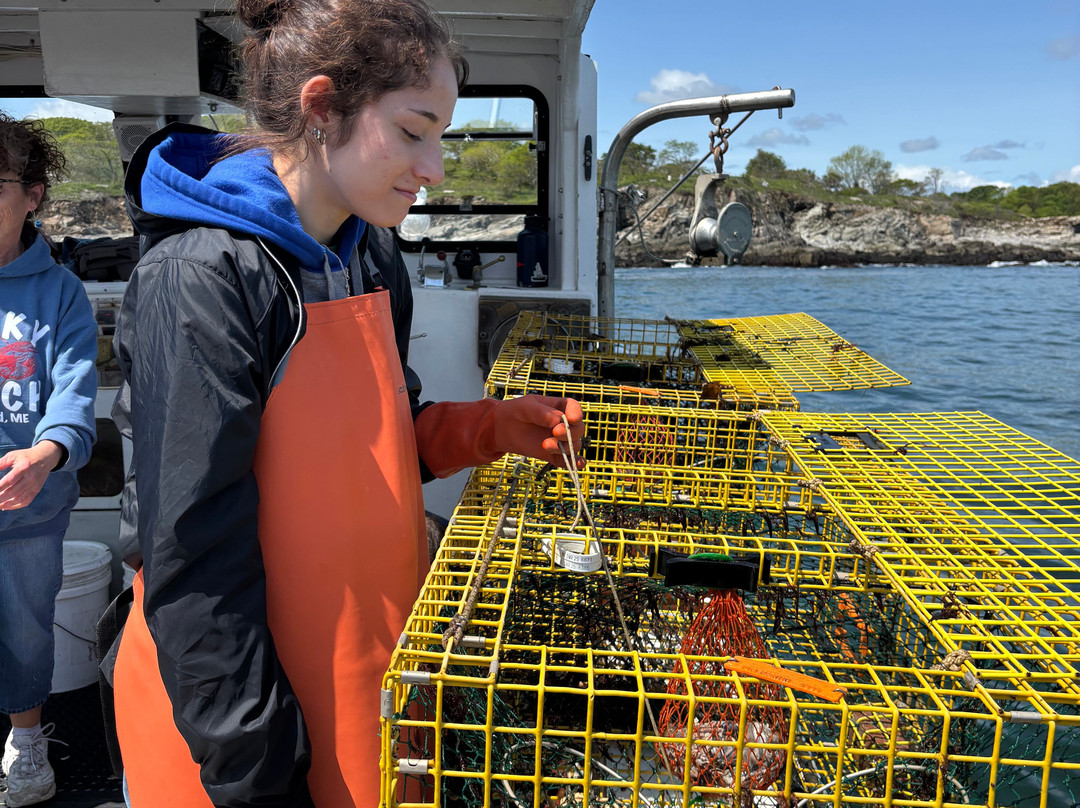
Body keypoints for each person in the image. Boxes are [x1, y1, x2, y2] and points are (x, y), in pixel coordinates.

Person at [109, 1, 585, 807]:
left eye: (440, 137)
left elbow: (380, 440)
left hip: (371, 685)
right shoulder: (200, 278)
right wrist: (258, 777)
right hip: (241, 727)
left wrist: (488, 427)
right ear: (323, 107)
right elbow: (194, 561)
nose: (435, 168)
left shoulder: (370, 256)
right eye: (413, 131)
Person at [0, 114, 98, 807]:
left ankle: (27, 742)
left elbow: (74, 393)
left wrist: (47, 452)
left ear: (32, 195)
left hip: (30, 512)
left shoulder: (61, 293)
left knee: (25, 633)